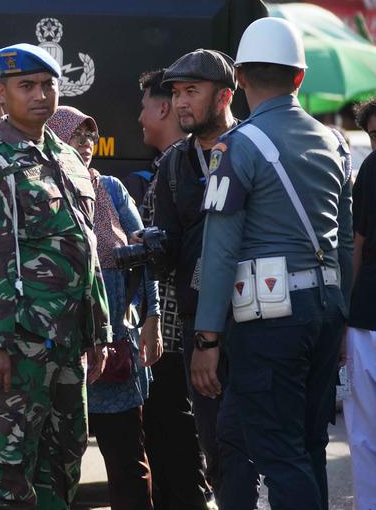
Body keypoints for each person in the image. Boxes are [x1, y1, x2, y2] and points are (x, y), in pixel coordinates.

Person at [191, 17, 353, 510]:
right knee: (308, 447)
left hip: (269, 320)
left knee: (278, 453)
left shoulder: (237, 146)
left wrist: (207, 339)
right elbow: (344, 242)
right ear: (300, 78)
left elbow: (219, 250)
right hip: (326, 312)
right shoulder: (337, 143)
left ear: (238, 77)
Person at [0, 43, 111, 510]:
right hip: (18, 346)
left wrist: (98, 329)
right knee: (7, 472)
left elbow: (87, 250)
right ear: (2, 94)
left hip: (67, 343)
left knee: (64, 463)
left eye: (48, 85)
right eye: (27, 86)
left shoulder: (66, 157)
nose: (40, 95)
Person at [152, 49, 257, 507]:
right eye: (175, 93)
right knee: (217, 447)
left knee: (270, 446)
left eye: (191, 91)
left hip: (260, 320)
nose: (179, 103)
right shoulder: (174, 165)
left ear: (225, 96)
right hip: (200, 329)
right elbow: (171, 248)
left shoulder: (255, 150)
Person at [49, 106, 161, 510]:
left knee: (127, 459)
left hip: (115, 348)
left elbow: (146, 250)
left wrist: (153, 317)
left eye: (90, 137)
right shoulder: (41, 193)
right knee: (58, 465)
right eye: (75, 136)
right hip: (61, 350)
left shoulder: (110, 188)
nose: (85, 145)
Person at [125, 69, 212, 510]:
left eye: (145, 105)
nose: (140, 117)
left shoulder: (180, 165)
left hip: (175, 335)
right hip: (174, 333)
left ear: (162, 108)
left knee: (177, 447)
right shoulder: (177, 163)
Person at [348, 97, 376, 510]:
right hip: (367, 312)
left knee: (367, 432)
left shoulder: (371, 168)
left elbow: (358, 241)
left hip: (368, 313)